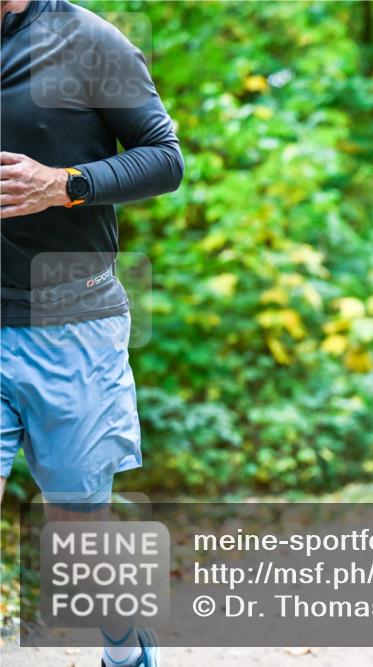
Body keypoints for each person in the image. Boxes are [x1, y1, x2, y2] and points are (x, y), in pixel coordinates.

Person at [2, 1, 183, 664]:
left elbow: (164, 159)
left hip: (68, 321)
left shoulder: (85, 40)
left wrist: (66, 184)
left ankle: (125, 645)